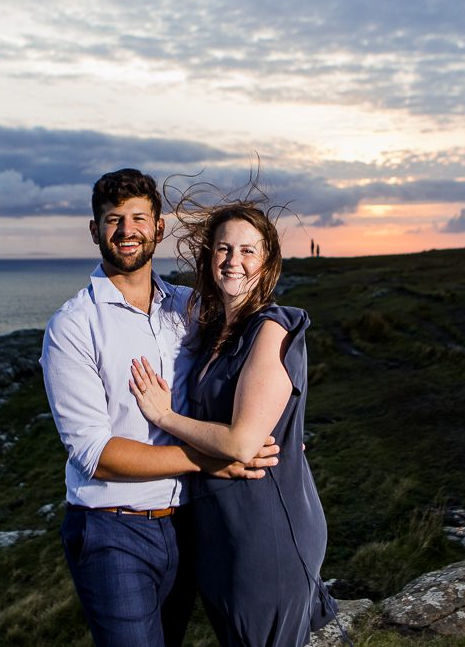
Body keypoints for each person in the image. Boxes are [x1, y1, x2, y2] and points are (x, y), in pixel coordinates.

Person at [40, 169, 281, 647]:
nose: (126, 231)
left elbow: (243, 360)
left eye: (138, 218)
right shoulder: (73, 326)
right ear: (95, 231)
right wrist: (217, 458)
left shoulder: (190, 308)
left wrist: (278, 423)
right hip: (112, 530)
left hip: (188, 525)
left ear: (159, 228)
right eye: (113, 220)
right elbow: (96, 454)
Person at [130, 193, 337, 646]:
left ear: (267, 263)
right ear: (209, 257)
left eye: (248, 251)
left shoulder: (271, 328)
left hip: (265, 529)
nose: (233, 260)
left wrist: (164, 416)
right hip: (223, 527)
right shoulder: (214, 333)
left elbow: (244, 443)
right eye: (224, 248)